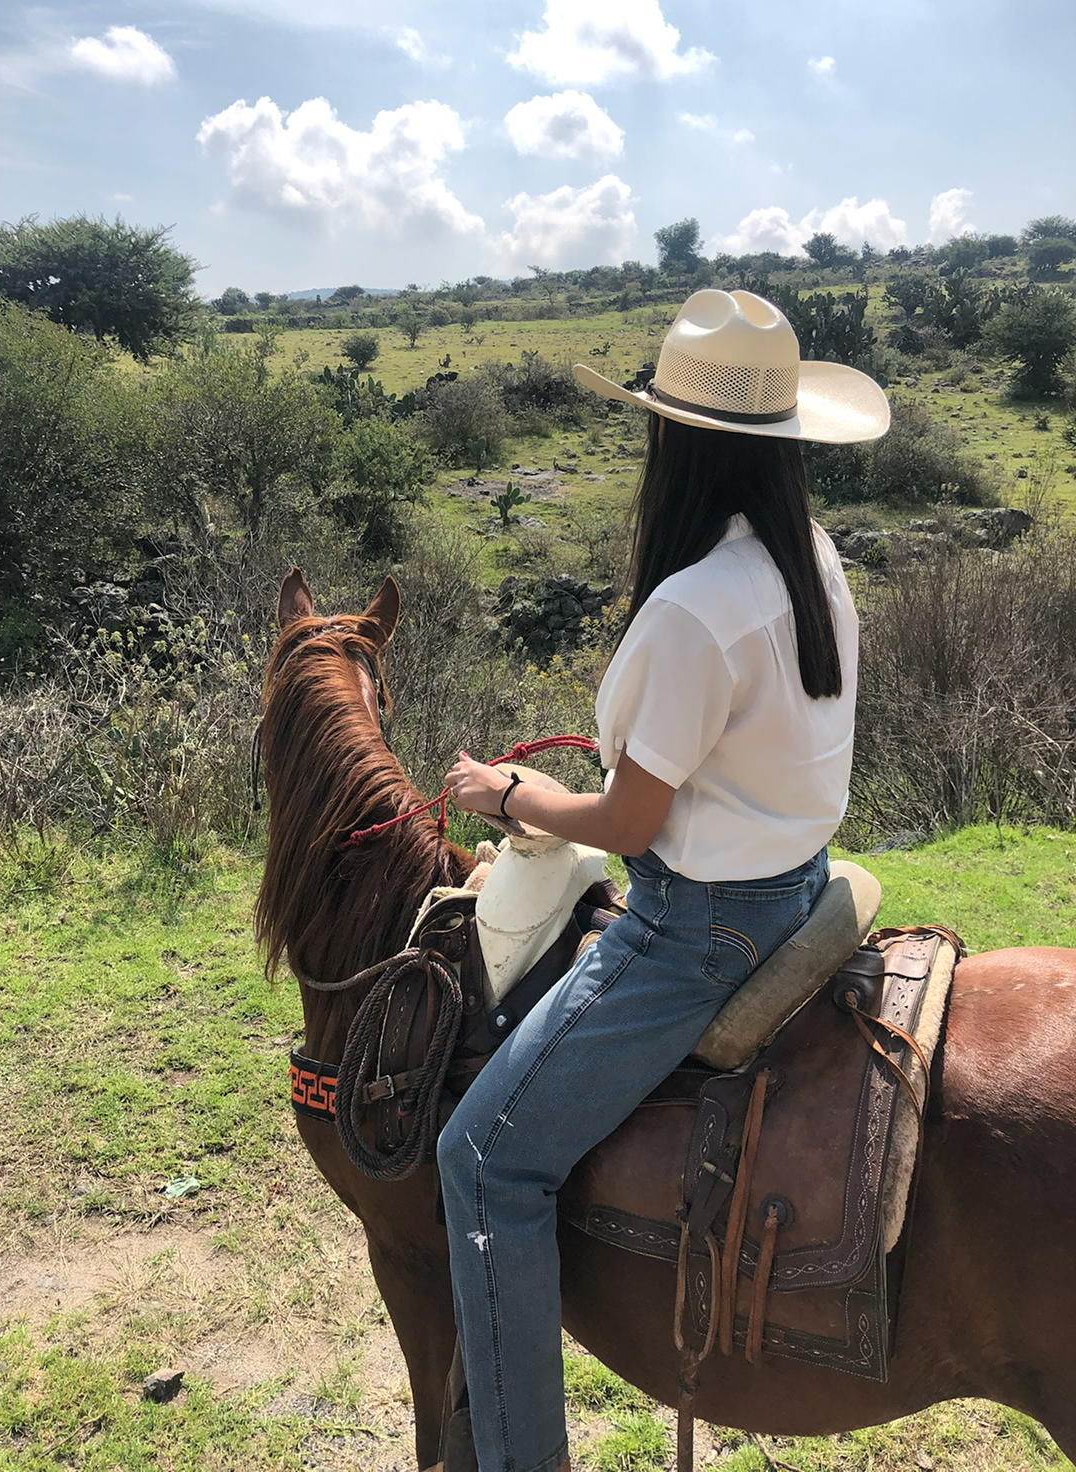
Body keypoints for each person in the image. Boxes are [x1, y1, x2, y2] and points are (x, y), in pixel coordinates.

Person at [439, 288, 890, 1472]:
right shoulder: (813, 562)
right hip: (799, 885)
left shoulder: (692, 609)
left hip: (700, 929)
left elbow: (633, 823)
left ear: (670, 441)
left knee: (481, 1159)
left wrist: (511, 795)